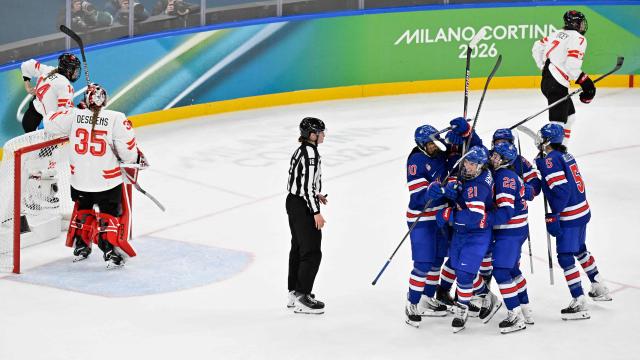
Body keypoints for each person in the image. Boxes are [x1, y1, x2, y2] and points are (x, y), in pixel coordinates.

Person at [42, 84, 143, 269]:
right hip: (107, 180)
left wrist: (73, 111)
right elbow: (128, 149)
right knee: (109, 213)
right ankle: (110, 250)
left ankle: (81, 246)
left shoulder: (74, 115)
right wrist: (136, 159)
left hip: (79, 180)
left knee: (83, 209)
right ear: (104, 99)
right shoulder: (116, 117)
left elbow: (49, 123)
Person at [535, 123, 611, 320]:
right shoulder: (565, 155)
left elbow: (561, 191)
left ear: (548, 141)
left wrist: (554, 215)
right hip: (582, 210)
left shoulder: (551, 160)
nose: (540, 141)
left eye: (542, 137)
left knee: (565, 256)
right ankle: (598, 285)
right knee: (580, 249)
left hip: (569, 215)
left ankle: (579, 300)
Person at [430, 145, 498, 333]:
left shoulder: (479, 186)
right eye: (467, 161)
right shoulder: (475, 175)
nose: (468, 166)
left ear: (481, 166)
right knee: (456, 265)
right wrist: (450, 190)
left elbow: (474, 217)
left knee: (465, 273)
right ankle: (487, 295)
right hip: (463, 232)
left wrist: (448, 215)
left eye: (473, 164)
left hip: (476, 233)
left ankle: (463, 309)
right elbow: (462, 192)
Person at [403, 125, 451, 328]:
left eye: (435, 142)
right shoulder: (416, 161)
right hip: (421, 219)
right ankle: (411, 304)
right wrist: (428, 192)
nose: (434, 146)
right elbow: (417, 198)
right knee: (423, 263)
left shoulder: (440, 154)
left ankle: (426, 299)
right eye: (430, 143)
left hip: (440, 216)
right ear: (422, 144)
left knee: (437, 260)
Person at [531, 10, 595, 145]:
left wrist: (542, 66)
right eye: (580, 23)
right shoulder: (578, 38)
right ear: (575, 23)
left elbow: (537, 46)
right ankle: (553, 156)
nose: (582, 26)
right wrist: (587, 84)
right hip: (557, 84)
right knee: (557, 125)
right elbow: (572, 66)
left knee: (570, 117)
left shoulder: (556, 34)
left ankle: (563, 150)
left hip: (548, 81)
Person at [487, 142, 530, 334]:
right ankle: (525, 308)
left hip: (510, 231)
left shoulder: (504, 177)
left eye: (496, 156)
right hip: (517, 230)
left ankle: (515, 315)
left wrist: (482, 220)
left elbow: (505, 212)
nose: (492, 158)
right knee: (513, 269)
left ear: (505, 160)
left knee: (501, 271)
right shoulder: (506, 174)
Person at [286, 117, 327, 314]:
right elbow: (308, 186)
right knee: (311, 251)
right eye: (320, 132)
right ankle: (303, 295)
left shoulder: (302, 150)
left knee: (298, 248)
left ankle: (294, 292)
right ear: (312, 135)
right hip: (303, 205)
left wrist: (316, 194)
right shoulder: (310, 154)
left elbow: (301, 182)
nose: (323, 135)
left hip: (293, 202)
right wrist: (316, 212)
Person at [20, 53, 81, 133]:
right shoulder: (65, 86)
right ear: (67, 70)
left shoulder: (48, 70)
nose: (76, 73)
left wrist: (27, 86)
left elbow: (26, 65)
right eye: (74, 70)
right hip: (50, 125)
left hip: (30, 119)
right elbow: (64, 115)